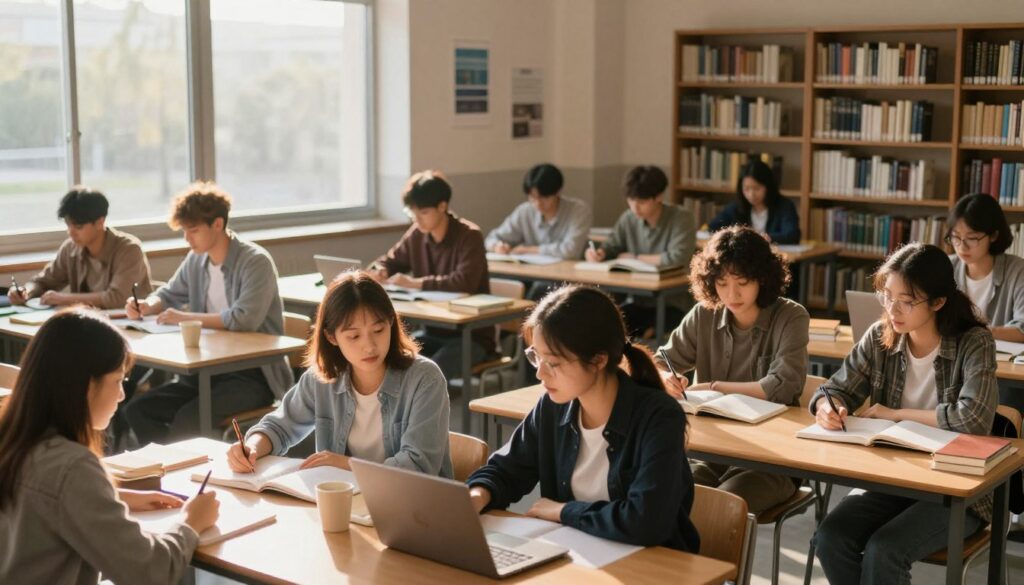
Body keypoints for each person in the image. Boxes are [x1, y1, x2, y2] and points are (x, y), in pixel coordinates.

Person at [809, 243, 998, 585]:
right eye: (886, 295)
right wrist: (828, 407)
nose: (892, 309)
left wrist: (897, 415)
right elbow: (834, 388)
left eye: (906, 301)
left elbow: (974, 418)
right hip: (892, 479)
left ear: (938, 302)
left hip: (956, 490)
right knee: (830, 538)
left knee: (885, 549)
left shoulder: (975, 342)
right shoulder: (881, 336)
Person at [467, 285, 700, 552]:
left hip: (654, 566)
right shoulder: (554, 406)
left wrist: (564, 512)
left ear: (598, 360)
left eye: (553, 362)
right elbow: (506, 470)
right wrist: (477, 494)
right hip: (579, 556)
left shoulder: (659, 417)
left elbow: (646, 521)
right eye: (536, 357)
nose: (540, 374)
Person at [0, 309, 219, 584]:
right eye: (117, 380)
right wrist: (191, 522)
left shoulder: (13, 438)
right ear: (86, 386)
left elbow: (41, 501)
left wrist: (117, 497)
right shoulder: (73, 467)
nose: (122, 395)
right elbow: (149, 572)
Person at [227, 272, 453, 478]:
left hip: (410, 506)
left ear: (391, 324)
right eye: (354, 337)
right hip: (346, 501)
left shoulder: (425, 379)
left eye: (378, 330)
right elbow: (279, 427)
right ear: (332, 337)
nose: (369, 346)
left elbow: (417, 466)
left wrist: (345, 464)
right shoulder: (323, 379)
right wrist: (253, 447)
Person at [124, 182, 293, 443]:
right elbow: (169, 293)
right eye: (184, 231)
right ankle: (167, 466)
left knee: (188, 421)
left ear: (217, 224)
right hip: (207, 371)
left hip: (253, 376)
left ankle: (180, 472)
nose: (187, 239)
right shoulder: (196, 259)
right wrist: (148, 304)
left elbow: (244, 318)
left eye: (193, 230)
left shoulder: (255, 261)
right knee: (138, 410)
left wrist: (186, 317)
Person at [655, 226, 808, 514]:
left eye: (742, 282)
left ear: (763, 277)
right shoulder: (704, 313)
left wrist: (715, 388)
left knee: (721, 506)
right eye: (722, 283)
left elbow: (784, 385)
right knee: (673, 492)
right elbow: (661, 360)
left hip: (772, 459)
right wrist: (666, 377)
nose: (731, 294)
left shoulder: (791, 316)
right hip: (713, 451)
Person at [370, 170, 496, 379]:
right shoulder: (418, 233)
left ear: (442, 207)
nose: (417, 220)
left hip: (470, 336)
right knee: (392, 360)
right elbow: (392, 260)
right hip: (434, 331)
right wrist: (380, 270)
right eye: (412, 213)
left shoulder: (469, 235)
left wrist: (416, 284)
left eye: (423, 213)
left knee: (430, 373)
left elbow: (464, 282)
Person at [584, 165, 697, 337]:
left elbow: (678, 258)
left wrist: (636, 258)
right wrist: (600, 254)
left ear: (659, 197)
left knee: (648, 332)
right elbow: (613, 245)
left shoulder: (682, 218)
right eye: (631, 200)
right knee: (604, 323)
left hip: (673, 302)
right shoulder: (629, 218)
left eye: (642, 202)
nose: (635, 207)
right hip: (639, 300)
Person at [8, 187, 152, 309]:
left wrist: (63, 299)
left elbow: (117, 298)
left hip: (128, 325)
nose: (70, 232)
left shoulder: (129, 249)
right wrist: (25, 291)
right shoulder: (70, 248)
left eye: (78, 226)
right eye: (68, 225)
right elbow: (42, 282)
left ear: (100, 222)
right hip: (88, 324)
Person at [947, 193, 1024, 343]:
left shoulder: (1018, 271)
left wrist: (980, 332)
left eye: (972, 238)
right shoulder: (946, 267)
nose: (962, 246)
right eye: (956, 237)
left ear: (993, 235)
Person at [485, 163, 592, 260]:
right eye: (532, 198)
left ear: (558, 192)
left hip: (565, 274)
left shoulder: (578, 211)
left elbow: (570, 250)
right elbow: (492, 238)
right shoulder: (525, 211)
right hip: (530, 272)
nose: (537, 203)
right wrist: (497, 246)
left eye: (544, 198)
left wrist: (530, 250)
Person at [708, 159, 800, 244]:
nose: (751, 194)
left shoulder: (784, 206)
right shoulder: (736, 206)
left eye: (756, 188)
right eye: (746, 189)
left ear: (768, 186)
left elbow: (792, 235)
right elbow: (713, 226)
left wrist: (765, 238)